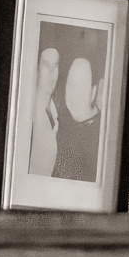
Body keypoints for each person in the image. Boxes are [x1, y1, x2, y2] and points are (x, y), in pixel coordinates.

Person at [53, 55, 101, 182]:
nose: (75, 93)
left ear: (93, 92)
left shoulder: (100, 137)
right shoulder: (61, 125)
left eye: (81, 85)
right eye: (71, 84)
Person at [28, 47, 60, 177]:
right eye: (46, 65)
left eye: (55, 66)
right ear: (36, 69)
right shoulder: (29, 116)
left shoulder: (55, 111)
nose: (52, 72)